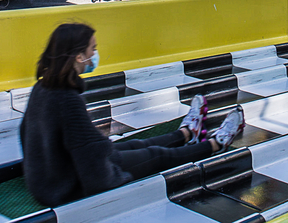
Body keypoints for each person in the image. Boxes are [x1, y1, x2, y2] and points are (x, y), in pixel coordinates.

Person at [20, 23, 246, 207]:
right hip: (67, 184)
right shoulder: (67, 100)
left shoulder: (43, 87)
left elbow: (26, 135)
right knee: (156, 155)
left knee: (136, 144)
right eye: (93, 49)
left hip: (52, 176)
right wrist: (115, 183)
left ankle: (186, 133)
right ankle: (216, 144)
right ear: (79, 57)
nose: (95, 54)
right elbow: (90, 159)